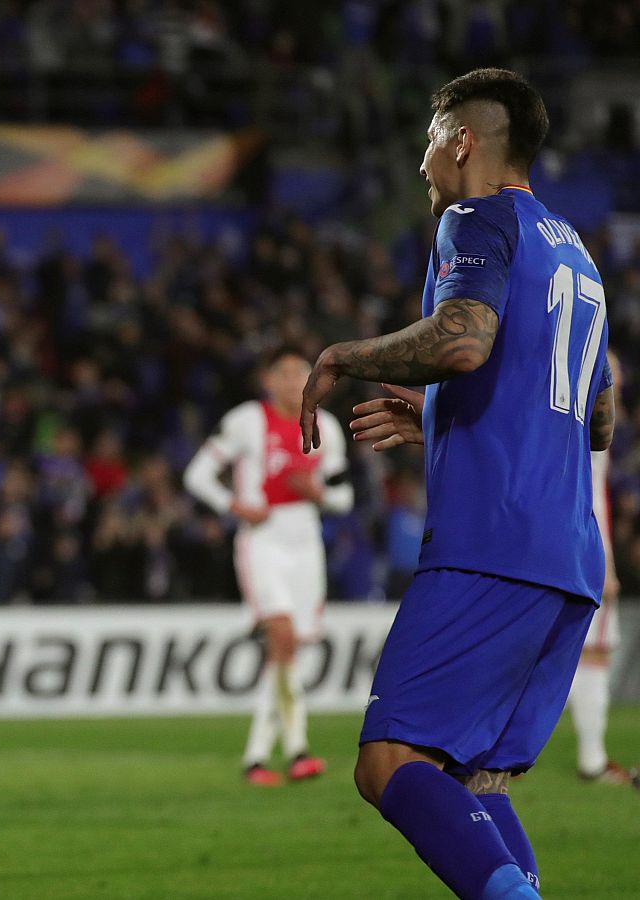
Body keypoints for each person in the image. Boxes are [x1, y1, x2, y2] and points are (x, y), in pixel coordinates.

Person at [304, 68, 611, 900]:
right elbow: (601, 416)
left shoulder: (475, 219)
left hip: (491, 545)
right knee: (478, 781)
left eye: (430, 141)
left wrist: (345, 357)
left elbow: (463, 340)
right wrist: (442, 416)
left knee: (389, 761)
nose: (422, 164)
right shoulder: (576, 255)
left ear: (462, 141)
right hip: (571, 558)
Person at [184, 346, 351, 786]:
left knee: (286, 651)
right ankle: (297, 749)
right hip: (264, 540)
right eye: (284, 374)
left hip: (305, 542)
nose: (293, 382)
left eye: (302, 374)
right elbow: (197, 475)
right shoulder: (246, 421)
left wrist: (316, 495)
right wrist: (234, 505)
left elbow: (344, 496)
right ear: (268, 381)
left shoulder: (327, 428)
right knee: (280, 635)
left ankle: (257, 757)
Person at [564, 350, 637, 786]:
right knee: (594, 652)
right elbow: (587, 493)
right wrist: (604, 560)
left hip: (560, 547)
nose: (621, 380)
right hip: (587, 547)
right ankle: (592, 759)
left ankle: (493, 753)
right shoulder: (593, 424)